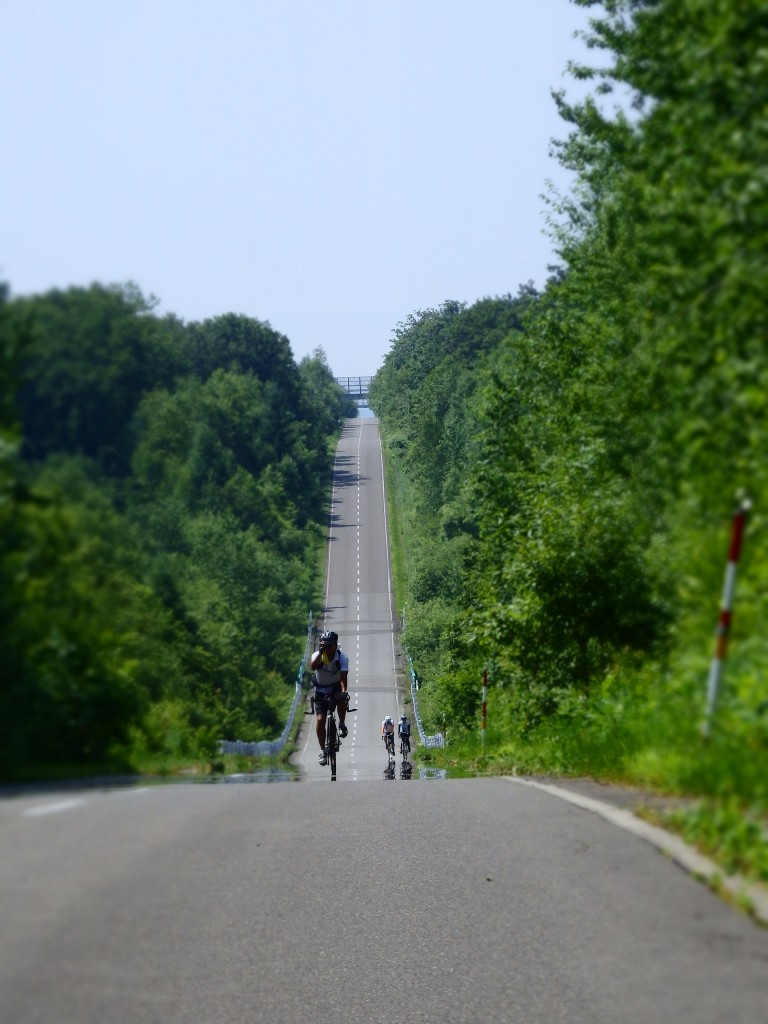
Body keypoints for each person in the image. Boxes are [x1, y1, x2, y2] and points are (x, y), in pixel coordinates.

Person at [309, 630, 349, 765]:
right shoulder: (318, 656)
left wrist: (344, 691)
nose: (328, 648)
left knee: (342, 698)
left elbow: (343, 677)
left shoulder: (342, 658)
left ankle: (342, 723)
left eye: (330, 645)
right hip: (320, 690)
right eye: (325, 645)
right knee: (320, 719)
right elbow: (312, 667)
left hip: (335, 687)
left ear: (335, 645)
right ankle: (323, 751)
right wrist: (320, 653)